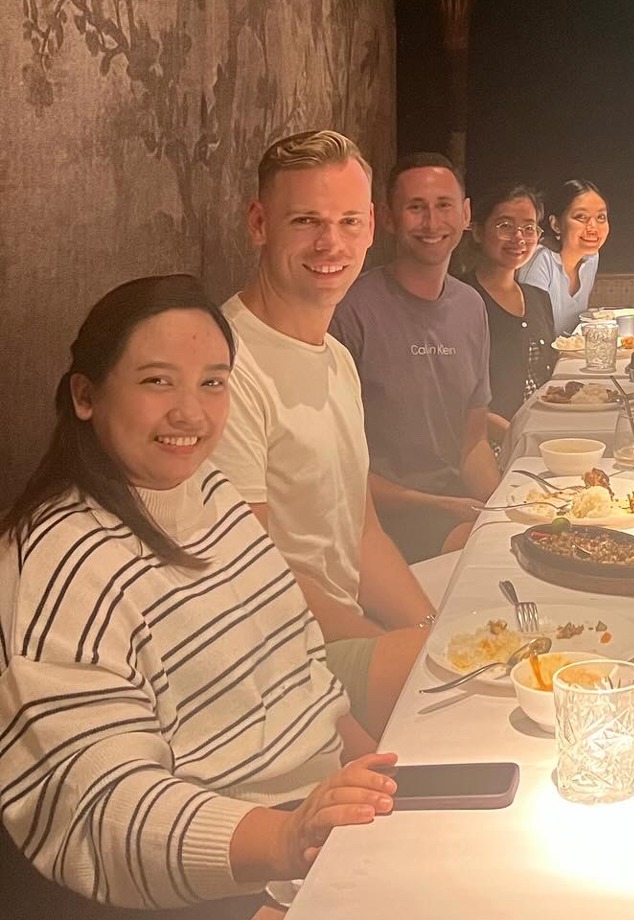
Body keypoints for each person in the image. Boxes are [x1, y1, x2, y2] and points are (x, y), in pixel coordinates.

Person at [0, 275, 398, 913]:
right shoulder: (58, 564)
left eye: (213, 382)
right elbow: (102, 805)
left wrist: (386, 780)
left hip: (322, 830)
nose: (191, 412)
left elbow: (303, 671)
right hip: (222, 880)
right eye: (157, 381)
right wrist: (287, 839)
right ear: (85, 394)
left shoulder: (211, 495)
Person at [210, 130, 432, 722]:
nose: (331, 242)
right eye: (306, 220)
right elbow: (255, 576)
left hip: (334, 634)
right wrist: (382, 647)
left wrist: (430, 629)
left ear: (371, 228)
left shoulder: (336, 358)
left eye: (350, 222)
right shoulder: (223, 366)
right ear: (259, 223)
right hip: (268, 654)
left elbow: (363, 535)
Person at [329, 152, 500, 562]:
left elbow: (472, 442)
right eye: (415, 208)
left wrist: (503, 510)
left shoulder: (470, 306)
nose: (431, 223)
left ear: (465, 213)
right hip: (378, 519)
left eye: (443, 206)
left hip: (453, 507)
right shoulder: (350, 311)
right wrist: (439, 507)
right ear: (386, 217)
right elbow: (333, 468)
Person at [458, 185, 557, 421]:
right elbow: (455, 397)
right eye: (505, 226)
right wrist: (517, 438)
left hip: (541, 426)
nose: (519, 237)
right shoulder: (460, 299)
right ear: (478, 231)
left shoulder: (538, 297)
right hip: (489, 442)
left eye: (529, 228)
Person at [517, 178, 610, 336]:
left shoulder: (591, 258)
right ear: (556, 225)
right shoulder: (540, 261)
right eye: (581, 217)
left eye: (601, 217)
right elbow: (530, 334)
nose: (594, 227)